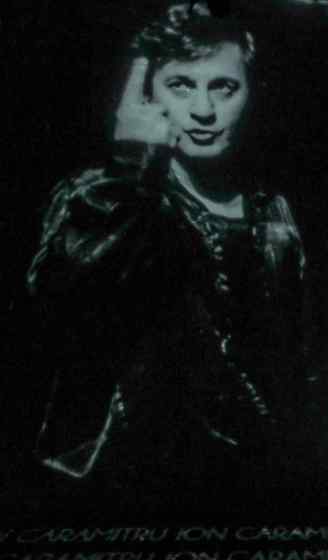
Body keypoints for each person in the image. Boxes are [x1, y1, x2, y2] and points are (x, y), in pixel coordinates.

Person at [25, 3, 308, 503]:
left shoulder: (273, 209)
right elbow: (58, 297)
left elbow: (294, 359)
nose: (203, 110)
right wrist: (132, 165)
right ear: (147, 94)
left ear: (250, 92)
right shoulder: (100, 195)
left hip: (252, 488)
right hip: (126, 492)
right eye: (181, 85)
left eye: (223, 87)